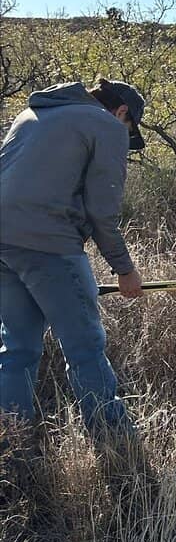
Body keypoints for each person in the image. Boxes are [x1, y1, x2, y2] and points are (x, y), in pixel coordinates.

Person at [0, 77, 145, 437]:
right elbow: (102, 212)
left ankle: (11, 445)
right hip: (49, 245)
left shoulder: (30, 114)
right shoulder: (107, 125)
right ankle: (114, 440)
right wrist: (125, 270)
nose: (125, 135)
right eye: (129, 129)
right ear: (122, 111)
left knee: (18, 349)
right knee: (85, 347)